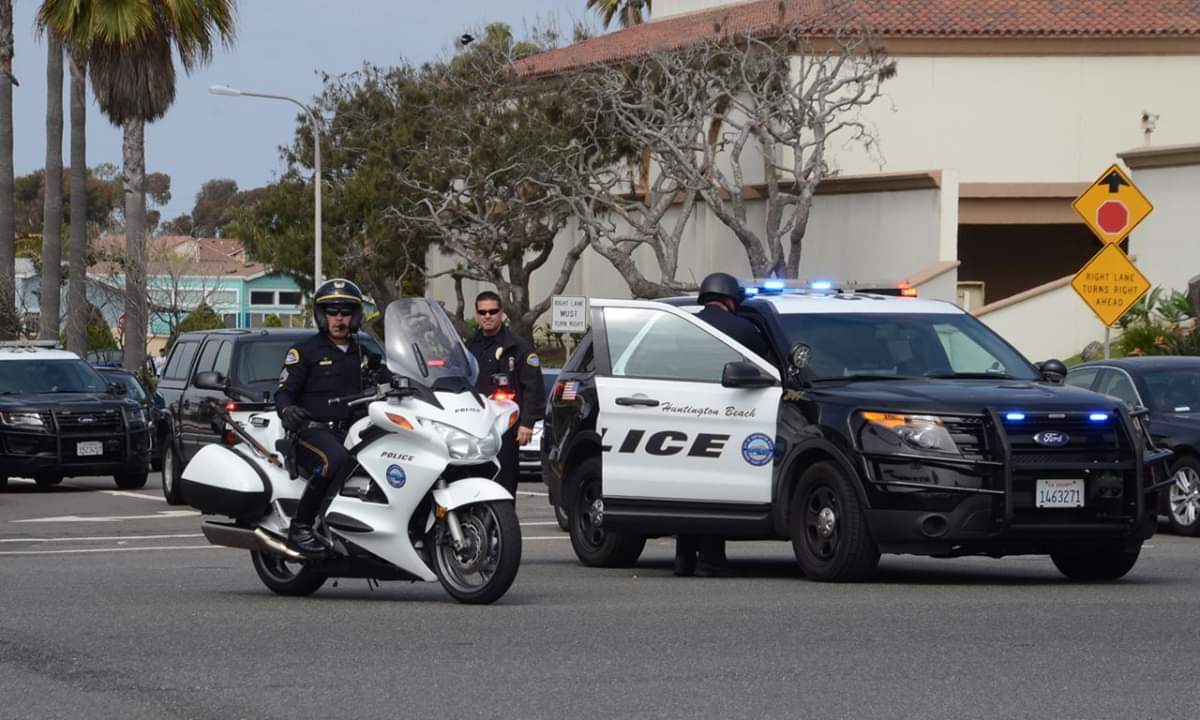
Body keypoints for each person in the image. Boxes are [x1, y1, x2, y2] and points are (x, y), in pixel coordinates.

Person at [675, 272, 769, 578]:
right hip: (727, 413)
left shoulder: (683, 326)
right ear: (731, 299)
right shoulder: (743, 328)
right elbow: (767, 367)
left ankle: (684, 558)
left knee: (687, 488)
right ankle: (712, 559)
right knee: (714, 487)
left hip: (682, 412)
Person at [275, 278, 376, 556]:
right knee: (335, 460)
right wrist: (287, 411)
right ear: (322, 315)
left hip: (355, 430)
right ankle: (301, 527)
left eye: (345, 312)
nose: (339, 318)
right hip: (313, 432)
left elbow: (393, 376)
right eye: (332, 312)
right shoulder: (304, 351)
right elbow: (283, 393)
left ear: (355, 317)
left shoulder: (364, 352)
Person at [465, 291, 545, 496]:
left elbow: (532, 387)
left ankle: (503, 525)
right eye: (482, 312)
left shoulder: (518, 348)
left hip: (505, 428)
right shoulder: (468, 347)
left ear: (501, 313)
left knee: (504, 482)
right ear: (476, 315)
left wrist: (527, 424)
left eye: (492, 311)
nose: (487, 316)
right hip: (472, 426)